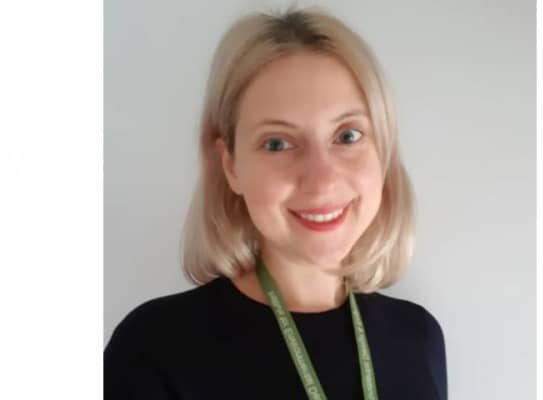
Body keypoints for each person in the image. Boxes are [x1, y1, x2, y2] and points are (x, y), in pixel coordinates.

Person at [104, 7, 447, 400]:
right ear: (230, 166)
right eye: (277, 143)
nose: (321, 179)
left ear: (383, 151)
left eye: (348, 135)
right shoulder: (153, 349)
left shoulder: (418, 337)